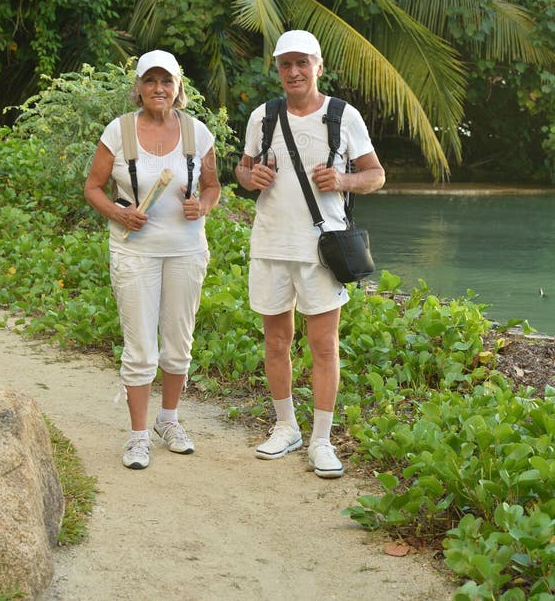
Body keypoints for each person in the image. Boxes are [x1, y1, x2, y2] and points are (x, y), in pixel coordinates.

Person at [235, 30, 385, 479]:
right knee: (276, 342)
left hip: (322, 249)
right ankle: (286, 427)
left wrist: (343, 181)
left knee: (324, 345)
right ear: (278, 70)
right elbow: (242, 170)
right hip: (270, 244)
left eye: (302, 63)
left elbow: (375, 175)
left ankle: (321, 439)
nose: (294, 72)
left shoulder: (343, 116)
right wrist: (251, 176)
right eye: (285, 65)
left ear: (318, 66)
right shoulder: (262, 117)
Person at [84, 50, 220, 470]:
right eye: (150, 81)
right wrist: (120, 212)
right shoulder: (119, 131)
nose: (158, 89)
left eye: (167, 81)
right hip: (134, 252)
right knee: (141, 346)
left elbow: (213, 187)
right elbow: (93, 188)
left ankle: (169, 420)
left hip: (186, 250)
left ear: (179, 88)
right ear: (139, 87)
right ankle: (138, 435)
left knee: (178, 343)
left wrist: (204, 207)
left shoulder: (197, 133)